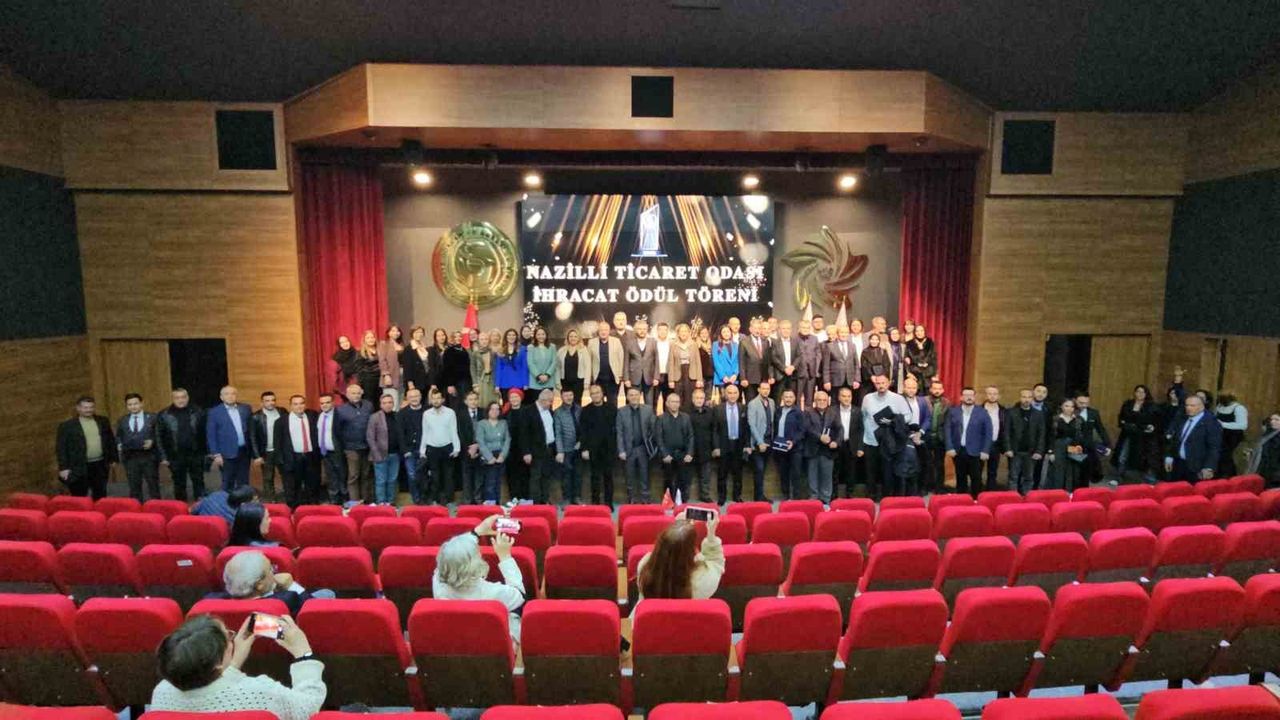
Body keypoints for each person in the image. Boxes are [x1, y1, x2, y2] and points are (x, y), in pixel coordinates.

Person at [150, 613, 324, 720]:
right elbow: (308, 708)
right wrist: (303, 653)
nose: (232, 639)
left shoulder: (162, 692)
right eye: (228, 637)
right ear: (217, 663)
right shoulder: (260, 692)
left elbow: (209, 697)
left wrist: (233, 663)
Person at [434, 516, 525, 641]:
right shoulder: (492, 593)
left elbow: (449, 560)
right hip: (491, 640)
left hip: (458, 638)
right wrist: (505, 556)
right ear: (476, 565)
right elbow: (520, 596)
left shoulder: (437, 582)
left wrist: (476, 532)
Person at [634, 513, 724, 607]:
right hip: (689, 616)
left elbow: (670, 548)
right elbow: (716, 564)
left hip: (649, 615)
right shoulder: (705, 580)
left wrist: (677, 528)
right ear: (691, 550)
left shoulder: (645, 564)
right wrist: (711, 535)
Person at [211, 549, 333, 616]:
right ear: (259, 584)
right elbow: (313, 611)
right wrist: (292, 586)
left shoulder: (211, 602)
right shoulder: (287, 600)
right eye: (270, 569)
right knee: (327, 593)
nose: (274, 571)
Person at [56, 395, 118, 500]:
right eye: (85, 407)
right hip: (78, 467)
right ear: (78, 408)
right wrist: (63, 468)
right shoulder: (67, 426)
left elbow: (110, 440)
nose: (89, 410)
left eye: (91, 407)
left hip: (100, 465)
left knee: (100, 494)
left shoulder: (103, 421)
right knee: (79, 495)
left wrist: (113, 458)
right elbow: (61, 448)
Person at [861, 374, 910, 499]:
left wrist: (893, 421)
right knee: (870, 470)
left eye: (883, 383)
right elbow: (863, 416)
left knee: (887, 470)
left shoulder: (898, 398)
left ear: (888, 383)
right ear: (874, 384)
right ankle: (870, 496)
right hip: (870, 439)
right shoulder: (867, 398)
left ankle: (887, 497)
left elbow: (908, 416)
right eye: (878, 383)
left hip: (889, 440)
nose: (881, 386)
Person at [158, 388, 207, 502]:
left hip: (195, 454)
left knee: (199, 482)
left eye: (183, 397)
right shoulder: (164, 414)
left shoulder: (198, 411)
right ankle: (181, 507)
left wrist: (206, 453)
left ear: (187, 398)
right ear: (172, 399)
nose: (180, 400)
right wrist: (163, 456)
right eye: (177, 398)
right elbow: (158, 437)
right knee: (179, 484)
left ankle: (201, 507)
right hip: (175, 455)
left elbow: (205, 433)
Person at [945, 387, 993, 498]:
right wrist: (949, 447)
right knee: (960, 478)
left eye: (971, 395)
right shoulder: (953, 412)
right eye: (966, 395)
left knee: (976, 479)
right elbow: (947, 430)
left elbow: (988, 433)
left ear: (974, 397)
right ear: (961, 397)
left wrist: (985, 450)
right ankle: (961, 500)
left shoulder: (982, 412)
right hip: (958, 451)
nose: (969, 397)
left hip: (976, 452)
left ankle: (976, 501)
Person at [274, 394, 320, 508]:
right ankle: (294, 509)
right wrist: (281, 461)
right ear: (290, 406)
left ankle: (313, 507)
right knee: (293, 486)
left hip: (310, 456)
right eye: (295, 404)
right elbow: (277, 442)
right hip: (292, 457)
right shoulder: (281, 421)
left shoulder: (312, 416)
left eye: (301, 403)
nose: (299, 406)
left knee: (312, 484)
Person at [1164, 394, 1224, 483]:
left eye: (1192, 406)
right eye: (1187, 405)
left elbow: (1214, 447)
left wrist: (1209, 467)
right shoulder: (1181, 419)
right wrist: (1169, 457)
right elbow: (1174, 440)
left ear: (1202, 407)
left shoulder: (1211, 423)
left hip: (1197, 468)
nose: (1188, 408)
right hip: (1178, 465)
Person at [207, 385, 254, 492]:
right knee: (228, 481)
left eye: (233, 393)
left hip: (244, 451)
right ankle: (228, 501)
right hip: (226, 453)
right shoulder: (214, 412)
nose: (230, 396)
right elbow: (211, 435)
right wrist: (216, 454)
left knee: (244, 480)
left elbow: (251, 429)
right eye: (227, 394)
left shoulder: (246, 408)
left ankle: (243, 499)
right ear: (221, 397)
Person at [116, 392, 161, 501]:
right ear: (127, 406)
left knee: (153, 486)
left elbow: (161, 435)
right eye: (130, 404)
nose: (133, 406)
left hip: (149, 457)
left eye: (135, 403)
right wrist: (119, 444)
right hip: (130, 458)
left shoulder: (153, 417)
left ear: (141, 403)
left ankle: (156, 507)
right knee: (134, 487)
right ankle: (136, 508)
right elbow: (118, 436)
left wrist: (152, 441)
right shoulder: (122, 420)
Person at [419, 389, 461, 504]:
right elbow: (425, 432)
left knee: (448, 475)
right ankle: (435, 499)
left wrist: (456, 448)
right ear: (431, 400)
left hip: (447, 446)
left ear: (442, 399)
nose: (436, 401)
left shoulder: (450, 412)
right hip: (432, 447)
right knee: (435, 476)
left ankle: (448, 500)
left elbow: (453, 430)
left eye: (438, 398)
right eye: (434, 398)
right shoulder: (426, 414)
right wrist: (422, 450)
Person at [579, 384, 618, 507]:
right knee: (594, 477)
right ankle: (595, 503)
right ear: (590, 395)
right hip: (593, 449)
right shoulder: (585, 410)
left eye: (597, 392)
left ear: (602, 394)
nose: (595, 395)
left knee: (608, 477)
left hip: (609, 448)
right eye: (593, 393)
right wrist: (584, 448)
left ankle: (608, 503)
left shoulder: (611, 408)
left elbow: (616, 429)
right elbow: (583, 431)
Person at [334, 384, 374, 504]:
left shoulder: (369, 406)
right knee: (353, 475)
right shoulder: (340, 410)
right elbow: (337, 431)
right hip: (351, 448)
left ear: (362, 393)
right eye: (353, 393)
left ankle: (366, 501)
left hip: (367, 446)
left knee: (366, 474)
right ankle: (354, 502)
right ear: (347, 395)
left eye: (358, 393)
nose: (356, 395)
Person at [617, 386, 656, 503]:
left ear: (640, 396)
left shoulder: (648, 410)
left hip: (643, 448)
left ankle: (645, 499)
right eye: (631, 395)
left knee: (645, 475)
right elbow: (619, 432)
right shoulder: (621, 411)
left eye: (636, 395)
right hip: (629, 449)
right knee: (629, 476)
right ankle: (631, 499)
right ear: (627, 397)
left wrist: (652, 447)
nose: (634, 397)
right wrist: (621, 450)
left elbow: (654, 429)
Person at [1114, 385, 1160, 482]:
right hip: (1128, 433)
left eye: (1143, 392)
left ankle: (1146, 478)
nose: (1140, 394)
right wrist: (1126, 424)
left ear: (1146, 394)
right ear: (1135, 393)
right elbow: (1121, 418)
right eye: (1138, 391)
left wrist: (1150, 427)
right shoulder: (1128, 404)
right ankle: (1119, 476)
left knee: (1145, 456)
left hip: (1143, 436)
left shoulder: (1151, 406)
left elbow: (1154, 421)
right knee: (1123, 455)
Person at [1006, 389, 1046, 494]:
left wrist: (1039, 451)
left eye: (1029, 397)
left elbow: (1041, 434)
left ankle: (1027, 498)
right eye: (1024, 397)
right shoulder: (1011, 412)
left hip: (1031, 452)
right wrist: (1008, 448)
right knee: (1013, 477)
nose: (1026, 399)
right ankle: (1013, 498)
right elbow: (1006, 432)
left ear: (1032, 398)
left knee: (1029, 477)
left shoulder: (1038, 414)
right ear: (1020, 398)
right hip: (1015, 451)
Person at [656, 393, 694, 500]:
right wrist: (664, 454)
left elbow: (691, 436)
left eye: (677, 402)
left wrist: (689, 453)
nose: (675, 404)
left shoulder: (686, 417)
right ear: (667, 403)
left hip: (683, 454)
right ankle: (668, 502)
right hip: (668, 456)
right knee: (668, 481)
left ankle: (682, 503)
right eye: (672, 402)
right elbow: (659, 438)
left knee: (683, 481)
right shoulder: (661, 418)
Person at [804, 390, 839, 504]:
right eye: (819, 400)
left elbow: (839, 429)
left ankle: (826, 500)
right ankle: (813, 500)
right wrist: (820, 437)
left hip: (827, 451)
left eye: (824, 400)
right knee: (812, 477)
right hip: (812, 450)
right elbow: (807, 428)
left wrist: (836, 442)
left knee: (827, 477)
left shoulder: (833, 413)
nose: (822, 402)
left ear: (828, 401)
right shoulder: (808, 412)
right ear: (815, 401)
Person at [366, 392, 402, 505]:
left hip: (395, 454)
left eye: (390, 402)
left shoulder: (397, 416)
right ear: (381, 404)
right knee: (381, 481)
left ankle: (390, 502)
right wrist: (376, 455)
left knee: (392, 480)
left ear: (393, 404)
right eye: (384, 403)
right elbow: (370, 437)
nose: (387, 405)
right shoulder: (374, 417)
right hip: (380, 455)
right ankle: (381, 503)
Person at [248, 391, 283, 502]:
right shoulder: (255, 417)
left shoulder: (282, 412)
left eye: (273, 400)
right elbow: (252, 437)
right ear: (262, 403)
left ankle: (288, 498)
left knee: (287, 475)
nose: (271, 403)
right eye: (267, 401)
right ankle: (271, 500)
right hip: (266, 452)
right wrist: (257, 456)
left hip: (281, 451)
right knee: (268, 477)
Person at [900, 376, 931, 496]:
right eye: (909, 387)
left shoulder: (923, 401)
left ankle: (921, 489)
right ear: (904, 388)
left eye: (914, 388)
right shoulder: (898, 401)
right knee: (906, 465)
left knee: (922, 463)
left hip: (920, 436)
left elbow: (928, 418)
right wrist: (907, 434)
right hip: (904, 437)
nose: (911, 390)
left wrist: (920, 432)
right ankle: (905, 491)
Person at [1046, 399, 1087, 491]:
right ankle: (1057, 494)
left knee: (1072, 472)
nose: (1069, 408)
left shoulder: (1079, 420)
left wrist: (1080, 447)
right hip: (1058, 448)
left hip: (1073, 447)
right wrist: (1051, 451)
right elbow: (1050, 436)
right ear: (1061, 406)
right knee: (1058, 472)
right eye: (1066, 406)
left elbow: (1083, 435)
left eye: (1072, 406)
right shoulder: (1055, 419)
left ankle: (1070, 494)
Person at [746, 381, 776, 502]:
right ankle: (758, 498)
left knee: (763, 471)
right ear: (758, 390)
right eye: (763, 388)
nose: (765, 391)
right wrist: (759, 442)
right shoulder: (753, 404)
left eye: (767, 389)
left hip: (769, 441)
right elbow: (751, 424)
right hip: (758, 443)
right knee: (759, 469)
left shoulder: (772, 402)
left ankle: (760, 495)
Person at [832, 386, 864, 499]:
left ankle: (850, 494)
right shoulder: (832, 410)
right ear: (839, 397)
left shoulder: (857, 411)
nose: (846, 399)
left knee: (851, 472)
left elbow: (861, 430)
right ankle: (834, 495)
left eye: (849, 396)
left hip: (852, 445)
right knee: (834, 472)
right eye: (844, 396)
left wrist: (860, 447)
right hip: (837, 444)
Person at [397, 388, 427, 504]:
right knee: (412, 475)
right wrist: (405, 450)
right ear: (407, 398)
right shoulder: (401, 413)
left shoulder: (427, 411)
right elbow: (400, 433)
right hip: (409, 450)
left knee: (425, 475)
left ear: (420, 397)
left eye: (416, 396)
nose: (414, 399)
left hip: (425, 449)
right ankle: (416, 499)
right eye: (411, 397)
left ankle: (425, 498)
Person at [476, 401, 510, 504]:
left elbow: (507, 440)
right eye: (492, 409)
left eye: (497, 409)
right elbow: (480, 441)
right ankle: (490, 506)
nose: (495, 411)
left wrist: (503, 455)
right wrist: (489, 457)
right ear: (488, 411)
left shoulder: (503, 423)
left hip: (500, 455)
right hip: (488, 456)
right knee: (489, 483)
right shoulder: (481, 424)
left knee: (498, 483)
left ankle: (497, 505)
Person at [774, 388, 806, 500]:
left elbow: (802, 431)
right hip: (781, 448)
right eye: (786, 397)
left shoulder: (799, 412)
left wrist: (793, 441)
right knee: (783, 474)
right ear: (782, 398)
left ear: (794, 398)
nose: (788, 399)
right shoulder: (778, 411)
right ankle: (786, 496)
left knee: (796, 474)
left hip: (795, 449)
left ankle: (796, 498)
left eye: (790, 397)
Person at [1075, 392, 1112, 486]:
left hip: (1088, 445)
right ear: (1075, 400)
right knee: (1075, 470)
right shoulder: (1071, 411)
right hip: (1074, 445)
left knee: (1087, 469)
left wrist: (1107, 444)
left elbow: (1100, 429)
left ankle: (1084, 489)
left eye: (1086, 403)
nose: (1084, 405)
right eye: (1081, 403)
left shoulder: (1093, 413)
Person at [553, 388, 582, 505]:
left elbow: (584, 428)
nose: (569, 398)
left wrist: (582, 442)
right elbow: (558, 433)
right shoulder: (558, 412)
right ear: (561, 397)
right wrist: (560, 451)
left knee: (578, 474)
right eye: (566, 396)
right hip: (565, 449)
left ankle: (577, 497)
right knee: (566, 475)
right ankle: (567, 499)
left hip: (579, 447)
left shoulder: (579, 409)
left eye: (571, 395)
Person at [455, 390, 484, 505]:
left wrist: (478, 446)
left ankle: (478, 499)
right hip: (465, 450)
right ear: (465, 401)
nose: (473, 402)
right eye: (470, 399)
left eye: (475, 399)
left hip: (481, 449)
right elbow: (459, 433)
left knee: (479, 477)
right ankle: (467, 501)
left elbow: (486, 431)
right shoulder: (459, 414)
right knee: (466, 477)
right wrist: (469, 448)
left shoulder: (483, 412)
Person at [689, 388, 716, 503]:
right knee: (687, 475)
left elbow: (714, 430)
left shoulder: (710, 412)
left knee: (706, 475)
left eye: (701, 398)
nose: (699, 400)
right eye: (697, 398)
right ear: (692, 399)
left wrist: (715, 447)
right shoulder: (686, 413)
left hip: (706, 448)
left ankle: (705, 495)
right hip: (690, 449)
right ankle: (685, 496)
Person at [924, 380, 950, 494]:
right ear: (930, 389)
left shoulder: (947, 403)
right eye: (935, 388)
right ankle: (926, 486)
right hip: (926, 436)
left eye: (939, 389)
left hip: (940, 438)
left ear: (943, 390)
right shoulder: (924, 401)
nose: (937, 391)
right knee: (926, 463)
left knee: (939, 464)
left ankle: (939, 488)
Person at [590, 322, 625, 405]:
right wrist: (590, 377)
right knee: (598, 403)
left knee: (612, 403)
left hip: (612, 379)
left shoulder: (616, 341)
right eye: (601, 330)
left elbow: (621, 358)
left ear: (609, 331)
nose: (603, 332)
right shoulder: (591, 342)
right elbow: (589, 360)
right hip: (598, 379)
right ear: (598, 331)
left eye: (606, 330)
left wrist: (620, 374)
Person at [624, 320, 658, 405]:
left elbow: (657, 361)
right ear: (635, 330)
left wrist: (656, 377)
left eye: (644, 329)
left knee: (649, 403)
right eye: (639, 329)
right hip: (634, 378)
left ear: (647, 330)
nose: (642, 331)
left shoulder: (653, 342)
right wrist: (626, 378)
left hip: (649, 378)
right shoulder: (629, 343)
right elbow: (626, 362)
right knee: (633, 403)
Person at [670, 322, 704, 408]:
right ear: (678, 333)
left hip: (691, 374)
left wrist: (699, 379)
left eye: (685, 331)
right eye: (681, 331)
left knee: (689, 398)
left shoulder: (694, 344)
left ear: (689, 333)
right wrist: (671, 380)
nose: (683, 333)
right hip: (678, 374)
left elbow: (698, 362)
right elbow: (671, 363)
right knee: (678, 398)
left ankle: (688, 415)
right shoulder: (673, 345)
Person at [1215, 392, 1249, 477]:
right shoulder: (1219, 406)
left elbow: (1242, 425)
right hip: (1221, 436)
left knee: (1227, 458)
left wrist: (1222, 424)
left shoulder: (1239, 408)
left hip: (1233, 437)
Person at [981, 386, 1008, 491]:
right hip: (981, 445)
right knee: (978, 470)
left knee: (992, 471)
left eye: (995, 394)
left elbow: (1005, 429)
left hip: (996, 444)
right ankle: (978, 493)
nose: (992, 396)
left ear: (998, 396)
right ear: (986, 395)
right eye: (990, 393)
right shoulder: (979, 409)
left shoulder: (1003, 411)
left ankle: (990, 492)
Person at [738, 318, 770, 403]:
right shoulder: (744, 342)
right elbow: (741, 361)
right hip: (750, 379)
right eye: (755, 328)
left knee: (762, 403)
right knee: (751, 403)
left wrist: (769, 376)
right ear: (750, 329)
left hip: (763, 379)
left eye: (759, 328)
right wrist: (743, 378)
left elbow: (768, 361)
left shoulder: (765, 342)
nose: (757, 330)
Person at [1245, 412, 1280, 487]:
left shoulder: (1275, 437)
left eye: (1277, 420)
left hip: (1274, 475)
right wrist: (1252, 454)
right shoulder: (1268, 435)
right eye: (1271, 419)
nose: (1272, 421)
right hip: (1264, 472)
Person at [193, 485, 259, 526]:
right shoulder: (238, 520)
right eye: (255, 500)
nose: (258, 503)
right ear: (243, 505)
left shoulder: (218, 494)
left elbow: (194, 510)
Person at [556, 328, 592, 401]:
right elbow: (557, 367)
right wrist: (557, 381)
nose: (573, 338)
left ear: (579, 338)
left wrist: (587, 382)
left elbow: (588, 367)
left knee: (577, 402)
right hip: (564, 382)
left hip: (578, 382)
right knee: (566, 402)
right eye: (571, 336)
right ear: (568, 338)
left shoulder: (584, 350)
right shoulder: (561, 350)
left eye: (575, 336)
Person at [796, 319, 824, 409]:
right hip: (798, 373)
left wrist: (816, 369)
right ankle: (797, 414)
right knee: (797, 398)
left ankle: (808, 415)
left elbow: (818, 354)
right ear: (799, 328)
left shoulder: (814, 338)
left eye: (807, 328)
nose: (805, 329)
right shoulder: (794, 339)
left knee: (810, 399)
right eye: (803, 327)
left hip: (811, 373)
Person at [825, 323, 859, 397]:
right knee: (835, 401)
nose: (844, 334)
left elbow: (856, 364)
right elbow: (826, 366)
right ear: (837, 334)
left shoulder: (852, 346)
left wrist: (857, 379)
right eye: (842, 332)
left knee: (849, 400)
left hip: (850, 380)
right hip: (835, 380)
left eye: (846, 332)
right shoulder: (830, 346)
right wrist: (826, 381)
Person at [495, 328, 528, 401]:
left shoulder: (522, 349)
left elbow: (524, 367)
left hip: (518, 382)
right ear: (506, 337)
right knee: (506, 403)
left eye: (513, 335)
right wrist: (497, 384)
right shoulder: (501, 350)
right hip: (505, 382)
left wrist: (525, 383)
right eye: (509, 335)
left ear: (516, 337)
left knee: (518, 403)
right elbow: (498, 368)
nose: (511, 337)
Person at [770, 320, 799, 398]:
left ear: (791, 330)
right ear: (779, 330)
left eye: (788, 328)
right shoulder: (775, 342)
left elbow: (799, 356)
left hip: (793, 375)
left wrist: (793, 367)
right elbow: (774, 358)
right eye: (783, 328)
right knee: (777, 399)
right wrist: (784, 368)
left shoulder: (796, 342)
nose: (786, 330)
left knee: (792, 398)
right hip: (780, 375)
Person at [378, 324, 405, 407]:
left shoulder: (402, 345)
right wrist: (386, 375)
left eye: (397, 331)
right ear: (388, 333)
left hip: (402, 376)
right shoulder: (384, 344)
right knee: (392, 403)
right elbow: (382, 360)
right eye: (393, 331)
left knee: (400, 403)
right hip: (391, 375)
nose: (396, 333)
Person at [525, 326, 558, 396]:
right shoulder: (530, 347)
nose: (541, 336)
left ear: (546, 335)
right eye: (538, 334)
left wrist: (547, 375)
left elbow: (554, 362)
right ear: (535, 336)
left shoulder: (552, 347)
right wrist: (539, 375)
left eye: (543, 334)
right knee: (536, 402)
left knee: (548, 401)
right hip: (535, 381)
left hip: (549, 380)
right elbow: (530, 363)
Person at [470, 330, 499, 408]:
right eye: (482, 339)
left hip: (492, 380)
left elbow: (496, 368)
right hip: (480, 380)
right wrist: (475, 384)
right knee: (481, 402)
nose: (484, 341)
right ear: (478, 341)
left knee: (492, 402)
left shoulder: (493, 353)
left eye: (486, 339)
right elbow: (472, 369)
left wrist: (497, 384)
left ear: (489, 340)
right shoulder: (475, 353)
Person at [353, 330, 383, 402]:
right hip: (368, 381)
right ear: (364, 340)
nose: (370, 339)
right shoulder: (360, 352)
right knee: (370, 401)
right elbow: (359, 369)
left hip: (381, 380)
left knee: (380, 400)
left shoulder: (380, 350)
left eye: (372, 337)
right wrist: (360, 384)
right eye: (368, 338)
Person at [402, 326, 431, 395]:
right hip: (416, 381)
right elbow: (407, 367)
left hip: (426, 380)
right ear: (412, 334)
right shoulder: (409, 349)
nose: (419, 334)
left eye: (421, 332)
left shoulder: (425, 347)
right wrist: (410, 382)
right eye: (416, 332)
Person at [711, 324, 740, 393]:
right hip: (722, 379)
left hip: (734, 378)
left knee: (734, 397)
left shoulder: (736, 345)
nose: (726, 334)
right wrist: (723, 376)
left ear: (731, 333)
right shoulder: (716, 345)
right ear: (720, 334)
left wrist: (735, 374)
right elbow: (716, 362)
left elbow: (738, 361)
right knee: (724, 398)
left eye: (728, 331)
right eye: (724, 332)